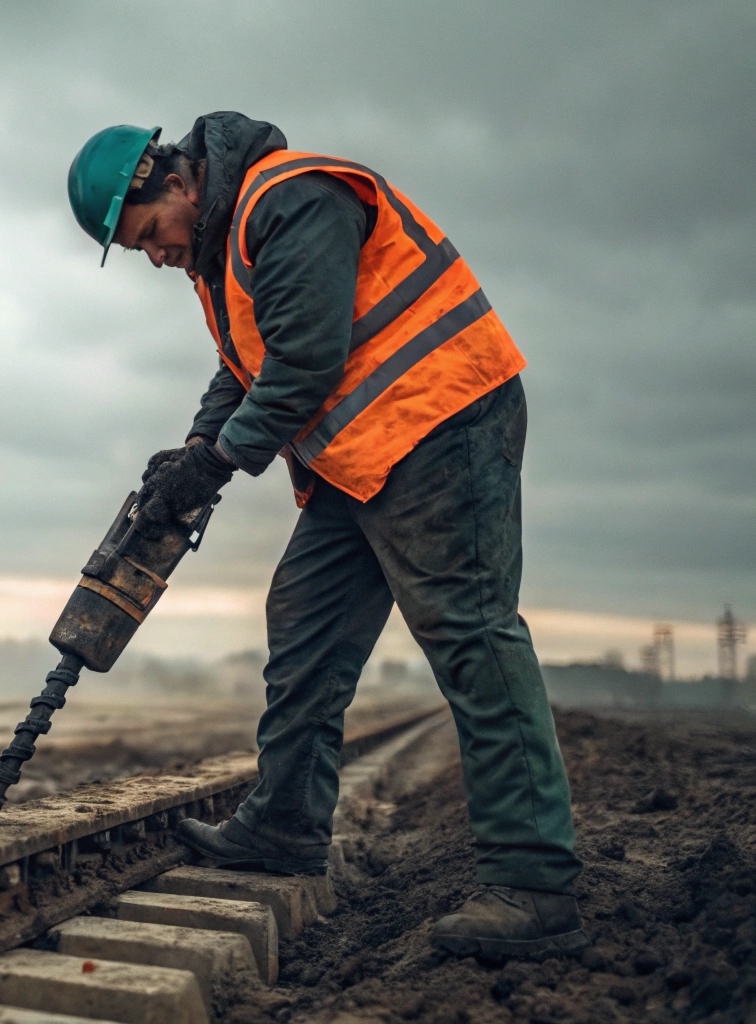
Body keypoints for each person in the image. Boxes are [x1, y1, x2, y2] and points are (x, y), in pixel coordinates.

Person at [66, 112, 585, 958]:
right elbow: (246, 364)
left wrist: (220, 464)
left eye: (151, 236)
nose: (157, 257)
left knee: (469, 633)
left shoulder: (291, 199)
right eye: (141, 252)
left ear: (174, 181)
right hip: (364, 453)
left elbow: (303, 362)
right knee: (302, 621)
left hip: (440, 420)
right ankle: (284, 826)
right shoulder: (220, 246)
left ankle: (534, 883)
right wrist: (197, 450)